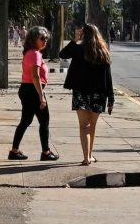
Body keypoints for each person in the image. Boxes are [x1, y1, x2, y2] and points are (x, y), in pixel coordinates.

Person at [61, 23, 115, 164]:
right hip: (99, 94)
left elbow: (63, 55)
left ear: (83, 35)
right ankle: (90, 155)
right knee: (92, 126)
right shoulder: (103, 52)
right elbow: (108, 77)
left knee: (83, 126)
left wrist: (74, 39)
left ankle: (86, 157)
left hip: (81, 93)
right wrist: (111, 98)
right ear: (98, 35)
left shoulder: (78, 49)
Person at [7, 25, 58, 162]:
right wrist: (41, 97)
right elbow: (35, 77)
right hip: (33, 90)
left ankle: (14, 151)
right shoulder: (34, 54)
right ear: (34, 39)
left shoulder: (30, 52)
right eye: (42, 38)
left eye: (46, 38)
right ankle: (46, 152)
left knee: (26, 121)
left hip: (27, 89)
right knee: (44, 121)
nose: (45, 41)